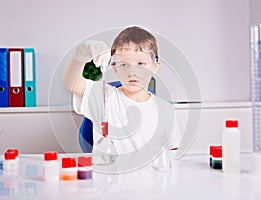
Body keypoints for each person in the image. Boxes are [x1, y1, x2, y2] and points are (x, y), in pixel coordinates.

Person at [62, 26, 180, 160]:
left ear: (155, 67)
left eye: (141, 63)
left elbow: (173, 153)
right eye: (124, 65)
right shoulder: (104, 97)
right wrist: (81, 54)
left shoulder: (166, 110)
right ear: (115, 67)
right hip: (108, 178)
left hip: (149, 178)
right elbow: (70, 81)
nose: (132, 72)